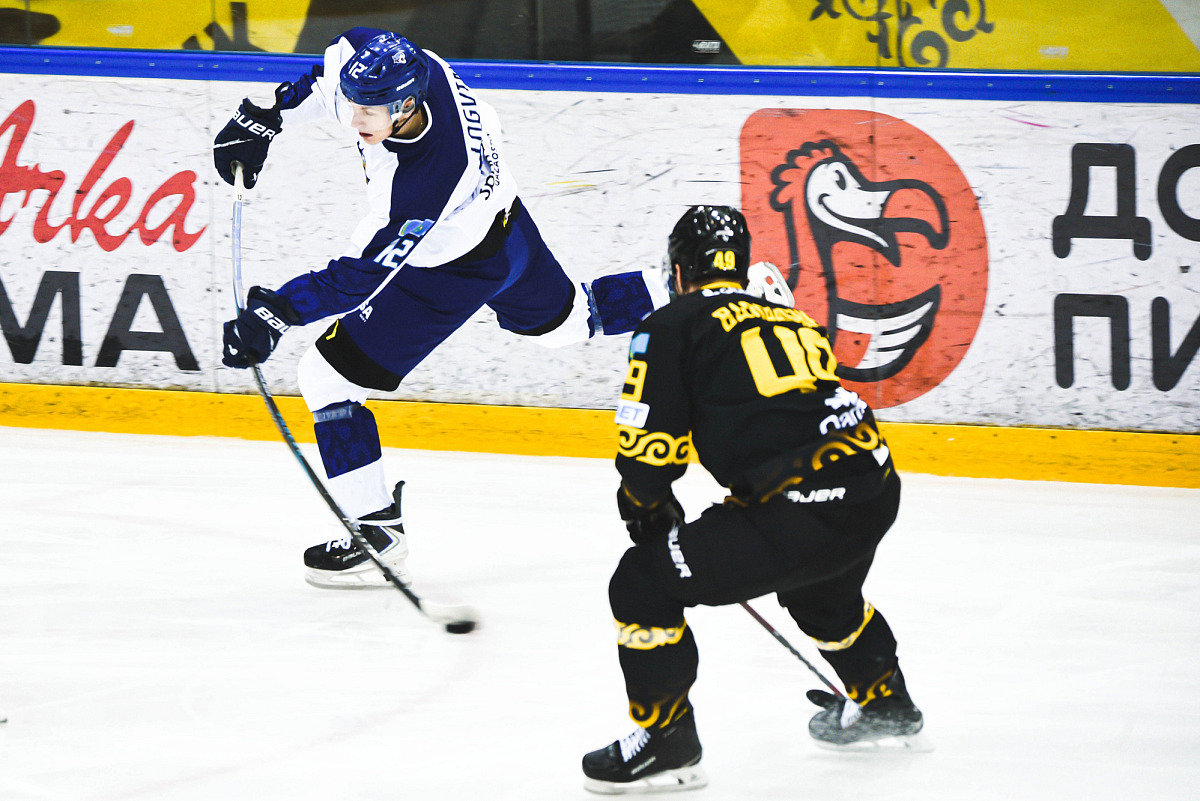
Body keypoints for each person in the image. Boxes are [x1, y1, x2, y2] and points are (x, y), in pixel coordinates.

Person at [213, 28, 666, 589]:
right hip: (507, 231)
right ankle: (692, 284)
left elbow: (358, 279)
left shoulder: (423, 183)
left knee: (326, 379)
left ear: (406, 106)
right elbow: (328, 76)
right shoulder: (401, 65)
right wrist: (265, 116)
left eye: (368, 112)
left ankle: (376, 533)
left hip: (449, 271)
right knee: (571, 319)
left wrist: (277, 312)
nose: (354, 119)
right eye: (356, 104)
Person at [581, 206, 923, 793]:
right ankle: (883, 701)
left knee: (641, 583)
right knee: (821, 594)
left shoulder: (670, 324)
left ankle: (667, 743)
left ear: (678, 270)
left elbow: (650, 445)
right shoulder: (791, 318)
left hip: (801, 505)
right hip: (873, 484)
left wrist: (645, 505)